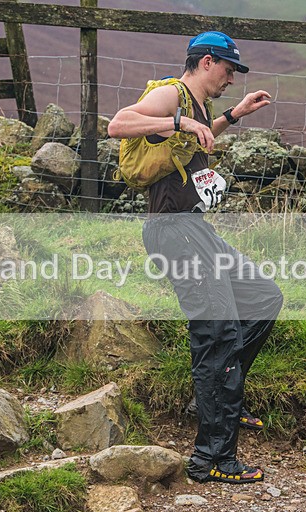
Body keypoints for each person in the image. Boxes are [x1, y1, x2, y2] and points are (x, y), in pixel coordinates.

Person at [108, 31, 283, 484]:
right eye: (229, 69)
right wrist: (180, 122)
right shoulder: (173, 93)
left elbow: (195, 142)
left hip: (194, 229)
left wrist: (231, 116)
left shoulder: (200, 105)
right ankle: (213, 460)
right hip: (172, 232)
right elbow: (118, 124)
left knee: (264, 297)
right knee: (217, 334)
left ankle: (221, 398)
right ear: (207, 62)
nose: (232, 78)